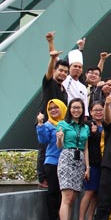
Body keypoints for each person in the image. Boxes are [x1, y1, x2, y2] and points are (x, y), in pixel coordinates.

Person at [37, 32, 69, 189]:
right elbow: (52, 63)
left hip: (60, 125)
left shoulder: (64, 89)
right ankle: (42, 178)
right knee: (44, 148)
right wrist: (51, 45)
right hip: (46, 123)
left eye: (65, 71)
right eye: (60, 70)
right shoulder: (49, 84)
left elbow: (57, 60)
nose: (62, 73)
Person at [55, 98, 90, 220]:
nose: (76, 110)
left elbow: (86, 148)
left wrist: (88, 167)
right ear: (69, 109)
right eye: (74, 107)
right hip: (67, 157)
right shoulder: (62, 124)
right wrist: (59, 138)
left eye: (79, 108)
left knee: (74, 197)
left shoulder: (85, 127)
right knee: (67, 197)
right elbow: (59, 146)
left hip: (80, 159)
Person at [35, 99, 67, 220]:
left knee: (65, 193)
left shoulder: (68, 124)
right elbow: (43, 140)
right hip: (52, 162)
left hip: (67, 162)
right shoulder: (48, 125)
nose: (53, 110)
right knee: (53, 192)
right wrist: (40, 124)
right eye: (50, 108)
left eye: (56, 107)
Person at [76, 101, 104, 220]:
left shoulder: (106, 125)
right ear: (90, 112)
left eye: (101, 109)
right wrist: (87, 167)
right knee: (89, 192)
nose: (99, 112)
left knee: (96, 194)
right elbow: (85, 146)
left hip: (103, 164)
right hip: (92, 164)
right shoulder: (88, 125)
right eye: (95, 110)